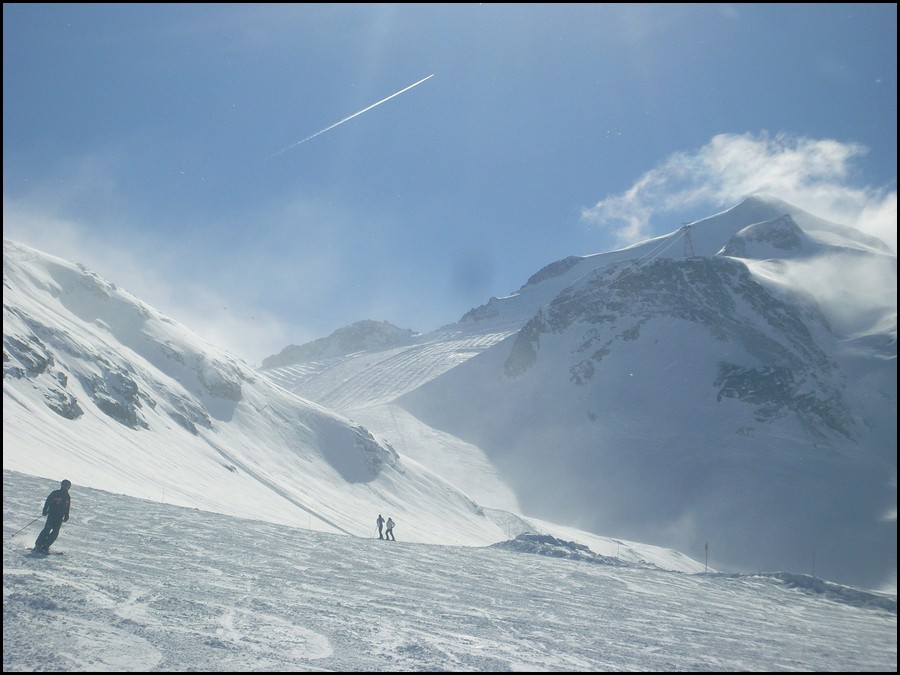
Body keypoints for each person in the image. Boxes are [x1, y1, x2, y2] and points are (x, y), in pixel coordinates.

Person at [34, 479, 71, 553]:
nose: (65, 487)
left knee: (55, 532)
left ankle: (46, 545)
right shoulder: (55, 493)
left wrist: (66, 515)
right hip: (52, 514)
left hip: (60, 516)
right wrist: (45, 510)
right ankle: (38, 545)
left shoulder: (67, 496)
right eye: (64, 485)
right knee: (47, 529)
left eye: (67, 486)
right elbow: (48, 501)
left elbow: (67, 506)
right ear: (62, 485)